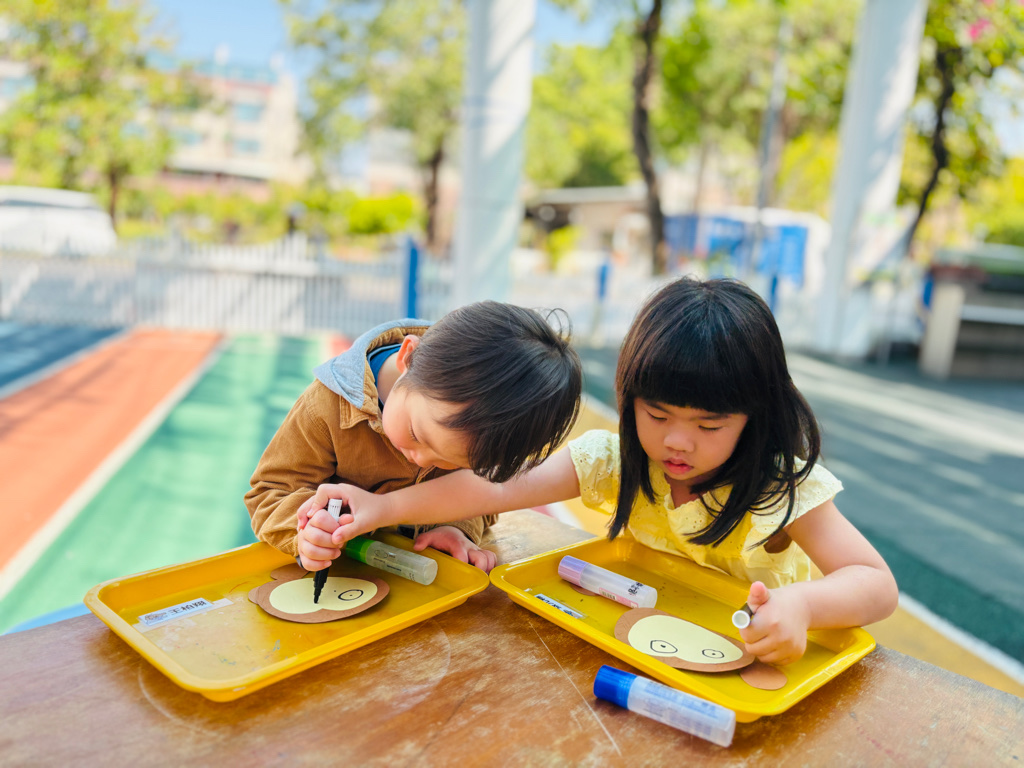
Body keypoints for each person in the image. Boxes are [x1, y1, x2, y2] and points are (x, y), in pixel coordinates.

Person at [300, 277, 899, 665]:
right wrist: (385, 509)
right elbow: (494, 487)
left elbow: (875, 583)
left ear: (755, 416)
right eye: (656, 414)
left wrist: (803, 606)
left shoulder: (780, 489)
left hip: (757, 663)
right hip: (650, 651)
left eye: (709, 425)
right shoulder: (616, 462)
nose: (677, 441)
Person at [246, 300, 582, 574]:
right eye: (416, 434)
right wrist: (306, 532)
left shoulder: (478, 433)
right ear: (407, 356)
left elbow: (484, 497)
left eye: (453, 463)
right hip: (342, 577)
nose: (422, 460)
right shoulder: (327, 406)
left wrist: (457, 528)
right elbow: (269, 491)